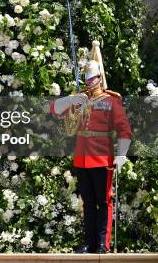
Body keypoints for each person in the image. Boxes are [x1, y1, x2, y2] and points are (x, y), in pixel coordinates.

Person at [49, 41, 132, 254]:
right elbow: (53, 110)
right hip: (82, 157)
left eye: (92, 78)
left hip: (102, 157)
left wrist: (121, 155)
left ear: (100, 79)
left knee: (103, 202)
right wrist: (70, 98)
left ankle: (102, 244)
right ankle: (89, 243)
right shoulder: (79, 99)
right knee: (87, 203)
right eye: (86, 79)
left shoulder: (111, 101)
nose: (89, 82)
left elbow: (124, 130)